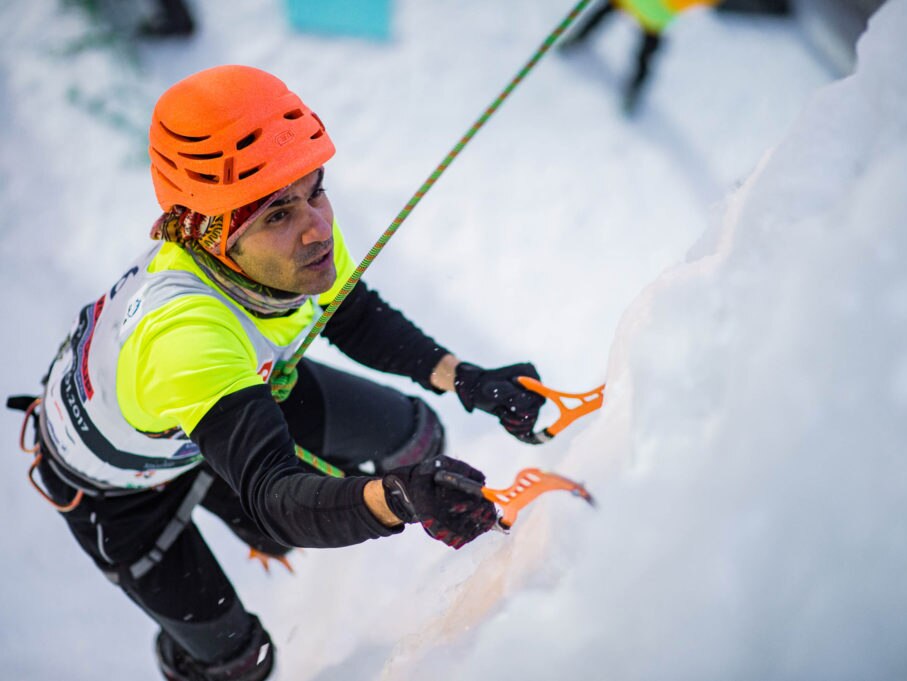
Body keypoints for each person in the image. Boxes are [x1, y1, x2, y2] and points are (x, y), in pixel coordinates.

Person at [12, 65, 545, 681]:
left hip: (217, 410)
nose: (317, 227)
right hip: (119, 494)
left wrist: (467, 378)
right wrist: (397, 498)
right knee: (240, 661)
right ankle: (192, 655)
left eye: (315, 189)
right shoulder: (184, 334)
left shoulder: (300, 244)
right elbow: (273, 495)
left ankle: (267, 496)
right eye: (276, 215)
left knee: (416, 438)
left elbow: (353, 315)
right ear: (215, 239)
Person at [560, 0, 722, 116]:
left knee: (645, 52)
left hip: (654, 12)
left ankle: (634, 88)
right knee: (645, 52)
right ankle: (579, 38)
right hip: (655, 13)